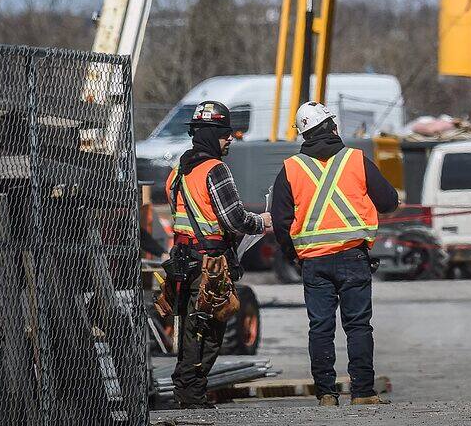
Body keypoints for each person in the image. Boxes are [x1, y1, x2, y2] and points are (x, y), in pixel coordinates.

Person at [269, 101, 399, 407]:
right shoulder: (356, 160)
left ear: (304, 135)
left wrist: (295, 256)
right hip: (353, 257)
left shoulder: (291, 169)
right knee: (357, 325)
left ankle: (326, 394)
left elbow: (280, 221)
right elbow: (389, 201)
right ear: (334, 127)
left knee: (321, 327)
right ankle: (363, 392)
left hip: (313, 262)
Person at [166, 100, 271, 409]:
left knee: (189, 324)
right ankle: (192, 394)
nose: (230, 140)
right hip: (210, 264)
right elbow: (234, 219)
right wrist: (261, 223)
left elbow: (181, 214)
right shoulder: (216, 170)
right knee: (210, 329)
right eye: (226, 135)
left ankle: (186, 390)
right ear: (212, 136)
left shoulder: (178, 172)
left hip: (183, 261)